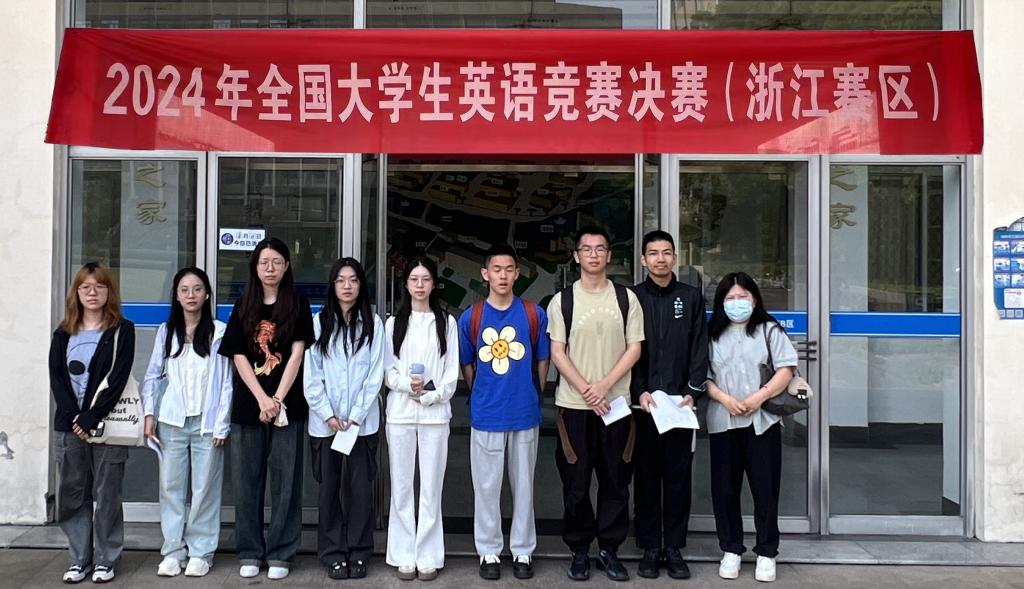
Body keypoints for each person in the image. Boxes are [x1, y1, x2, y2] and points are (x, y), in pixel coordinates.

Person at [546, 226, 645, 582]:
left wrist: (603, 386)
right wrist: (587, 390)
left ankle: (609, 549)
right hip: (574, 406)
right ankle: (579, 550)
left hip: (616, 406)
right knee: (576, 483)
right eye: (586, 249)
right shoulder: (562, 301)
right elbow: (558, 352)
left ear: (609, 255)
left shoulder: (626, 298)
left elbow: (635, 348)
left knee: (616, 481)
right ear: (576, 256)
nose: (593, 254)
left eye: (599, 248)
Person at [219, 238, 315, 581]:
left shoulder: (299, 304)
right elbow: (238, 356)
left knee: (286, 482)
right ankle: (249, 550)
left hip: (288, 406)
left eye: (277, 261)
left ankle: (281, 552)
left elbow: (297, 355)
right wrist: (262, 399)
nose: (270, 268)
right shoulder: (243, 304)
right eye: (264, 262)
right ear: (255, 267)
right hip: (249, 406)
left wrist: (277, 400)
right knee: (247, 482)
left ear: (287, 266)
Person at [458, 245, 550, 581]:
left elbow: (543, 360)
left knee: (524, 486)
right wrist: (484, 393)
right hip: (487, 413)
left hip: (524, 411)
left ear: (517, 273)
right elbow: (467, 365)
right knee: (486, 486)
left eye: (509, 269)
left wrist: (532, 393)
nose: (502, 275)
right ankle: (489, 551)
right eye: (496, 269)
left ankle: (523, 550)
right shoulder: (471, 317)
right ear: (485, 274)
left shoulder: (533, 314)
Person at [140, 268, 233, 578]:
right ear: (176, 296)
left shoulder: (218, 332)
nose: (191, 295)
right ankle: (172, 551)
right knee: (171, 488)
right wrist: (149, 414)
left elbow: (226, 382)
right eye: (184, 289)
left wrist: (222, 423)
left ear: (206, 294)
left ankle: (200, 552)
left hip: (207, 423)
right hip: (172, 421)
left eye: (197, 289)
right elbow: (153, 376)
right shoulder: (166, 332)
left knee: (205, 489)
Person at [706, 272, 797, 583]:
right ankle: (731, 548)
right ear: (721, 303)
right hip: (724, 420)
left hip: (763, 422)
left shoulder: (770, 330)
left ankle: (767, 552)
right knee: (725, 489)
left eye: (742, 297)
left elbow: (786, 369)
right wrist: (724, 399)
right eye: (730, 298)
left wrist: (759, 397)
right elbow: (703, 375)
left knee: (765, 489)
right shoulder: (711, 334)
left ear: (754, 299)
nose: (737, 303)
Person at [49, 262, 135, 584]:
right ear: (76, 292)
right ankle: (79, 559)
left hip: (107, 423)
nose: (92, 292)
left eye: (99, 286)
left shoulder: (121, 330)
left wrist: (91, 416)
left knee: (108, 493)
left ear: (109, 292)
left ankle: (105, 559)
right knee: (73, 494)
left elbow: (118, 377)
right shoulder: (63, 332)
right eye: (85, 287)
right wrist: (74, 416)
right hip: (69, 425)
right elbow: (57, 377)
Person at [631, 230, 708, 580]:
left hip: (680, 406)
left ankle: (674, 547)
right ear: (643, 259)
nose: (660, 259)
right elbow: (628, 349)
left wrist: (692, 391)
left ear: (675, 258)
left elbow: (699, 347)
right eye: (653, 253)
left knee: (678, 478)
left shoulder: (690, 297)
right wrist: (639, 390)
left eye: (666, 252)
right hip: (645, 406)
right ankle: (649, 547)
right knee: (646, 477)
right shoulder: (633, 298)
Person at [304, 258, 385, 581]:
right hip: (326, 424)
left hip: (361, 425)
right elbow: (312, 375)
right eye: (341, 280)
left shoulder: (373, 324)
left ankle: (360, 551)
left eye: (353, 280)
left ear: (361, 285)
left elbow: (376, 373)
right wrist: (327, 413)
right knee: (329, 491)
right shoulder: (318, 322)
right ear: (333, 285)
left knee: (361, 490)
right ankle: (333, 553)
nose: (347, 286)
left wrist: (356, 415)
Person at [384, 256, 459, 582]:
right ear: (405, 283)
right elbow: (387, 371)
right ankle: (403, 553)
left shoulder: (446, 322)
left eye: (425, 279)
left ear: (433, 284)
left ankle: (428, 554)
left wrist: (431, 395)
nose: (419, 285)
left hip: (435, 416)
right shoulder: (393, 324)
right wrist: (406, 385)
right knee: (401, 487)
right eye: (414, 279)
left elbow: (452, 374)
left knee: (431, 487)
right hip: (400, 414)